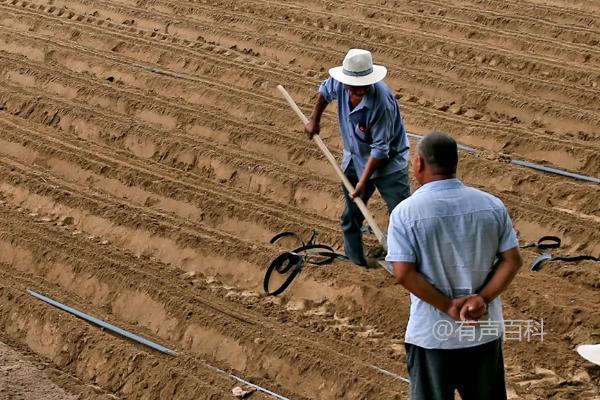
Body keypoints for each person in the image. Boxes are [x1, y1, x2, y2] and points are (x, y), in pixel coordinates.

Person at [386, 132, 523, 400]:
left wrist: (449, 306)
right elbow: (512, 260)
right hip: (483, 334)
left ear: (419, 163)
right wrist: (481, 298)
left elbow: (403, 273)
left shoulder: (405, 213)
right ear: (455, 162)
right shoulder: (491, 205)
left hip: (432, 337)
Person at [305, 48, 410, 267]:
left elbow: (381, 150)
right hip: (355, 157)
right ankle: (356, 262)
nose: (359, 89)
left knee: (401, 214)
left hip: (389, 164)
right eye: (354, 85)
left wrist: (363, 183)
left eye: (363, 84)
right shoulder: (339, 84)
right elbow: (324, 92)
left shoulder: (382, 103)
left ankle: (402, 261)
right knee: (350, 216)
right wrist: (314, 120)